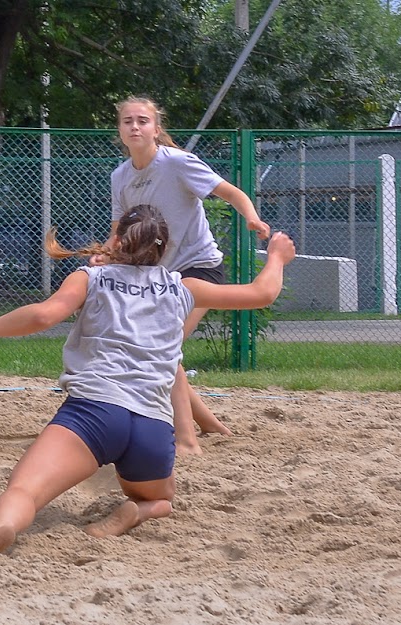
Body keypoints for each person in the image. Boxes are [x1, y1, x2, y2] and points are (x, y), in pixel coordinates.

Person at [0, 205, 295, 570]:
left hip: (95, 412)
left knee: (23, 492)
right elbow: (262, 293)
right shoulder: (184, 287)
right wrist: (276, 257)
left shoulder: (90, 277)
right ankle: (141, 511)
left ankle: (5, 526)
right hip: (154, 426)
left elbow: (43, 316)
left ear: (116, 240)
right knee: (162, 500)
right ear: (162, 250)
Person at [104, 95, 272, 456]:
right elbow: (119, 229)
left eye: (142, 121)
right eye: (127, 121)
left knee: (162, 348)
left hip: (199, 268)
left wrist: (252, 217)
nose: (135, 126)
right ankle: (211, 425)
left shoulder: (177, 164)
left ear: (156, 128)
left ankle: (186, 439)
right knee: (163, 349)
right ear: (119, 130)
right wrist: (105, 256)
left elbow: (231, 192)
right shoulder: (121, 176)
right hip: (159, 278)